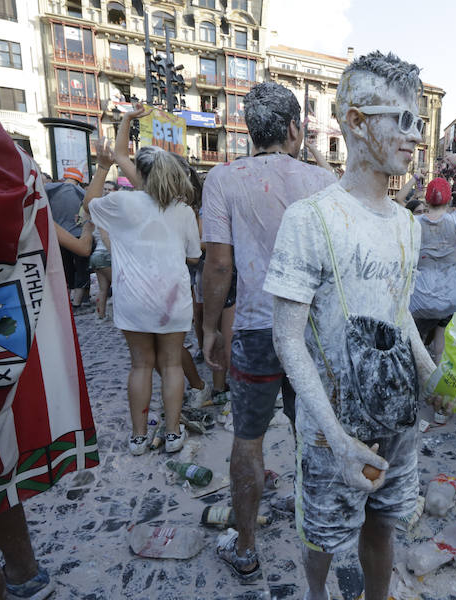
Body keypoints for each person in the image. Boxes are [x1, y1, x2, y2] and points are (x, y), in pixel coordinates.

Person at [265, 50, 441, 600]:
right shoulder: (311, 218)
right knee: (320, 532)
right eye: (404, 121)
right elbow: (287, 336)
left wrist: (431, 373)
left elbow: (399, 311)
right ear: (358, 121)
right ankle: (317, 595)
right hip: (331, 423)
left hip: (399, 418)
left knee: (385, 520)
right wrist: (336, 440)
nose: (415, 137)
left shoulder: (409, 226)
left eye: (420, 123)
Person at [0, 5, 97, 598]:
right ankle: (25, 573)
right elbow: (74, 244)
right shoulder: (5, 153)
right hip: (0, 338)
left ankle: (1, 575)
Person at [200, 81, 336, 582]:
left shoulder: (223, 179)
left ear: (249, 129)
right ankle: (317, 534)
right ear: (294, 128)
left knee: (248, 439)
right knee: (313, 434)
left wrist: (211, 328)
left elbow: (218, 266)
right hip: (312, 333)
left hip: (256, 329)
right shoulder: (323, 183)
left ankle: (247, 548)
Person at [85, 134, 201, 456]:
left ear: (141, 173)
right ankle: (174, 432)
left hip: (133, 300)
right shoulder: (183, 211)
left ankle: (138, 437)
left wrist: (101, 168)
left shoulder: (123, 202)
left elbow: (88, 204)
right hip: (173, 300)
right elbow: (194, 257)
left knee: (140, 365)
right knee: (172, 364)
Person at [409, 155, 456, 366]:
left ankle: (417, 375)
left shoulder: (412, 223)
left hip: (420, 298)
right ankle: (439, 383)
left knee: (414, 343)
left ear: (426, 201)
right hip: (453, 297)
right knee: (442, 344)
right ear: (450, 198)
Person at [46, 166, 90, 309]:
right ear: (79, 180)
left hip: (58, 237)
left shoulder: (49, 190)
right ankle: (77, 303)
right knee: (81, 270)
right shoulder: (82, 193)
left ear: (64, 177)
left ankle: (65, 302)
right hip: (78, 237)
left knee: (65, 269)